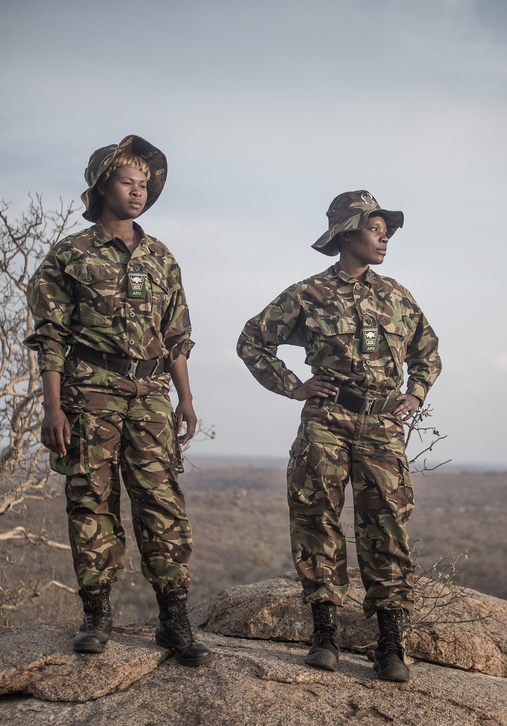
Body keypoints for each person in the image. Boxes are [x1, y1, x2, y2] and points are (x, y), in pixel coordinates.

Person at [237, 190, 442, 682]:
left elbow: (428, 351)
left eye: (386, 229)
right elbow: (251, 341)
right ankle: (324, 635)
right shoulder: (308, 294)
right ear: (347, 234)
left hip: (382, 427)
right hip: (326, 421)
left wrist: (414, 393)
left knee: (386, 526)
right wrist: (294, 386)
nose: (385, 236)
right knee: (316, 521)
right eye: (375, 228)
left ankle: (390, 644)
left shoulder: (397, 296)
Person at [25, 134, 212, 666]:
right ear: (102, 184)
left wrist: (186, 398)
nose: (138, 191)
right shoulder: (69, 255)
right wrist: (53, 407)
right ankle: (96, 613)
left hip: (151, 394)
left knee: (162, 501)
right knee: (92, 500)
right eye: (128, 181)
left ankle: (174, 619)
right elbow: (50, 337)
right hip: (90, 395)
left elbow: (176, 335)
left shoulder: (161, 256)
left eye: (144, 183)